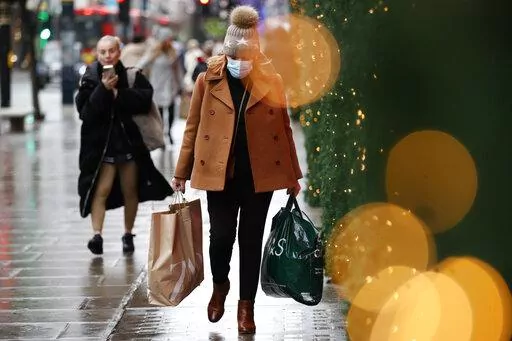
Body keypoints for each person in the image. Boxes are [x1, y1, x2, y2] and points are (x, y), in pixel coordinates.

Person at [170, 6, 302, 335]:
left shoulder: (271, 81)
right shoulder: (207, 79)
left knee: (251, 239)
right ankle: (219, 285)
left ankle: (247, 307)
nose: (239, 59)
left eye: (246, 53)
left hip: (260, 175)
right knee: (221, 237)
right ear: (227, 51)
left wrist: (293, 175)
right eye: (235, 53)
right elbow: (193, 127)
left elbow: (284, 128)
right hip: (219, 172)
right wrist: (181, 171)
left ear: (255, 52)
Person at [76, 35, 173, 255]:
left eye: (111, 51)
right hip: (101, 148)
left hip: (129, 145)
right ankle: (96, 235)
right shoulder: (90, 78)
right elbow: (86, 113)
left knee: (131, 190)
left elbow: (145, 99)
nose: (107, 55)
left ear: (119, 52)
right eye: (102, 52)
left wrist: (118, 93)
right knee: (100, 190)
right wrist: (102, 89)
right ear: (97, 54)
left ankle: (128, 234)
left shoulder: (131, 75)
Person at [137, 28, 184, 145]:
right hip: (157, 86)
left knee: (173, 112)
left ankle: (169, 132)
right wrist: (138, 76)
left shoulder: (174, 52)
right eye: (167, 39)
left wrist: (181, 85)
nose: (170, 41)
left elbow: (178, 71)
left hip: (171, 86)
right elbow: (141, 64)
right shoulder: (153, 53)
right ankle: (162, 135)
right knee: (160, 114)